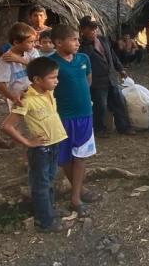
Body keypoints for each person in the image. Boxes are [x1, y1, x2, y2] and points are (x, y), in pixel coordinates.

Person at [0, 57, 70, 233]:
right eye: (53, 77)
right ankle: (44, 221)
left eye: (57, 76)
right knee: (41, 184)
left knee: (50, 180)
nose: (57, 81)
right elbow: (7, 126)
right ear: (38, 79)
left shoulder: (47, 92)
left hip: (54, 144)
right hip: (40, 150)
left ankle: (49, 212)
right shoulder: (27, 100)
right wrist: (28, 142)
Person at [49, 25, 100, 215]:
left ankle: (76, 196)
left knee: (81, 156)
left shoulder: (83, 59)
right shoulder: (52, 64)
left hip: (85, 115)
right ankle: (78, 190)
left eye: (78, 39)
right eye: (73, 39)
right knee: (64, 158)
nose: (78, 43)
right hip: (63, 117)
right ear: (59, 43)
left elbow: (88, 82)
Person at [78, 16, 133, 137]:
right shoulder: (81, 47)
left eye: (95, 28)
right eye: (90, 28)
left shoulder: (103, 40)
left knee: (119, 102)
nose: (93, 31)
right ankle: (99, 129)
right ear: (82, 30)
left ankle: (124, 127)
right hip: (97, 82)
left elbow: (112, 56)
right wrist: (88, 44)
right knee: (100, 106)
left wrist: (120, 69)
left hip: (111, 77)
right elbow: (82, 64)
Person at [0, 22, 39, 110]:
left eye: (34, 41)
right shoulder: (5, 60)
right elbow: (0, 84)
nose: (34, 44)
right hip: (18, 98)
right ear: (16, 42)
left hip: (36, 95)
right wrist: (13, 98)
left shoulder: (32, 52)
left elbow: (40, 68)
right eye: (30, 42)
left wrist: (20, 60)